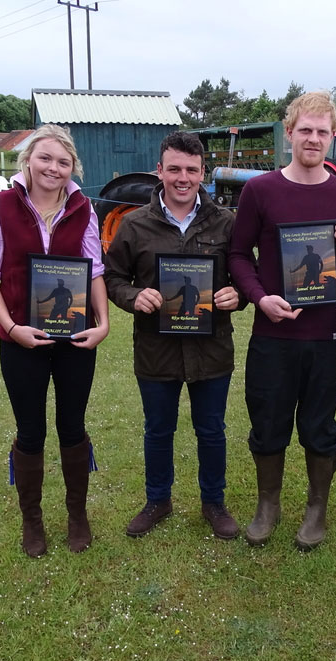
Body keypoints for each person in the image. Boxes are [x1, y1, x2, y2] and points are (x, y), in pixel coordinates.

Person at [228, 91, 336, 550]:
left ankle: (316, 508)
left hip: (324, 336)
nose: (313, 138)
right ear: (289, 133)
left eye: (322, 131)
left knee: (319, 424)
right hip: (272, 332)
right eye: (305, 129)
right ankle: (268, 505)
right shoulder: (260, 190)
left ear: (332, 137)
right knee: (268, 421)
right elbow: (238, 254)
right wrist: (260, 297)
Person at [0, 123, 109, 557]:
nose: (53, 168)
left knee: (72, 427)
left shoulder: (84, 209)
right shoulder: (2, 207)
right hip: (20, 340)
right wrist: (12, 328)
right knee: (30, 432)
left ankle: (77, 516)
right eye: (45, 158)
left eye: (63, 161)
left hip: (75, 340)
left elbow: (95, 271)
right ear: (27, 161)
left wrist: (103, 322)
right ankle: (32, 522)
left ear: (73, 168)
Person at [104, 131, 241, 540]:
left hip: (211, 347)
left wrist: (239, 295)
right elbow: (112, 277)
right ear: (159, 171)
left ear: (203, 174)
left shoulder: (226, 223)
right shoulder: (134, 225)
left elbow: (244, 277)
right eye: (175, 169)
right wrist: (132, 295)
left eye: (192, 170)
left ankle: (213, 502)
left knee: (211, 429)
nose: (183, 178)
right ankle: (157, 500)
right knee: (158, 429)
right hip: (156, 348)